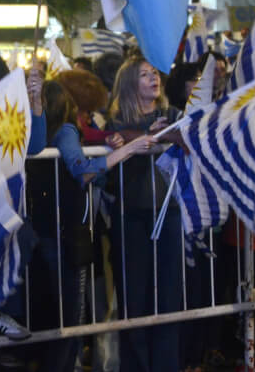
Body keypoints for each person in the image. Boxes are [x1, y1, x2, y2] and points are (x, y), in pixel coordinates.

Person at [28, 80, 154, 372]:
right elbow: (83, 173)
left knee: (52, 313)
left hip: (45, 230)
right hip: (69, 232)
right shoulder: (67, 131)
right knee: (70, 316)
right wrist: (127, 150)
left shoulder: (38, 133)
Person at [106, 55, 183, 372]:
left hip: (170, 214)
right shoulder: (113, 121)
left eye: (155, 73)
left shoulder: (173, 113)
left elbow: (188, 135)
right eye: (144, 75)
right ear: (128, 84)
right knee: (133, 300)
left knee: (169, 299)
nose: (154, 78)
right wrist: (142, 137)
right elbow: (114, 145)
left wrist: (159, 136)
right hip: (131, 216)